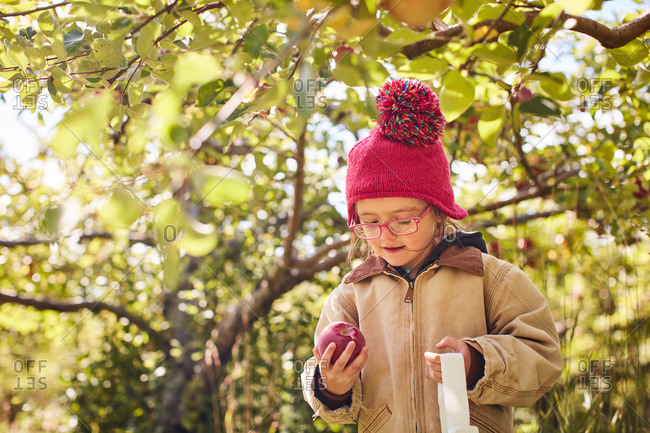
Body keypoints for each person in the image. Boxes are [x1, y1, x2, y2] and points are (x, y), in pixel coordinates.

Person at [301, 78, 564, 433]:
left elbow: (544, 358)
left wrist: (476, 362)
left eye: (404, 221)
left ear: (439, 212)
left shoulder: (490, 278)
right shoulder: (351, 296)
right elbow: (327, 392)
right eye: (369, 223)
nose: (386, 235)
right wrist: (331, 387)